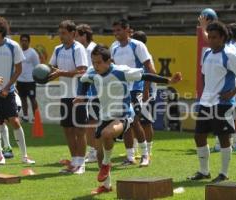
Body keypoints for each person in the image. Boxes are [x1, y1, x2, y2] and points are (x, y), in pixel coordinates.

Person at [76, 44, 182, 195]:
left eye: (99, 62)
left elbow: (145, 75)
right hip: (105, 117)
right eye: (93, 62)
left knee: (107, 135)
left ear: (108, 61)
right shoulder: (93, 72)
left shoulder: (121, 71)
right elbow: (84, 80)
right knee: (99, 153)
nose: (95, 65)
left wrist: (168, 80)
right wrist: (81, 96)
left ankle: (107, 164)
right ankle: (106, 186)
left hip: (123, 115)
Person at [188, 21, 236, 183]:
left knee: (224, 138)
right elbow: (204, 74)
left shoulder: (230, 54)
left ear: (223, 37)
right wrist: (206, 92)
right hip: (206, 103)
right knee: (199, 136)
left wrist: (232, 93)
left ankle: (224, 173)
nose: (210, 40)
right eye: (209, 37)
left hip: (223, 104)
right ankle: (204, 171)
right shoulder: (207, 53)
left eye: (214, 37)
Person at [110, 19, 156, 167]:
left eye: (119, 30)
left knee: (135, 122)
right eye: (114, 31)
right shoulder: (114, 47)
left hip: (136, 89)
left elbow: (150, 68)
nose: (116, 34)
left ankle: (145, 155)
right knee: (125, 124)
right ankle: (130, 157)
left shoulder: (137, 45)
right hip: (121, 90)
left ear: (127, 30)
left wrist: (146, 89)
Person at [48, 20, 88, 174]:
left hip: (79, 95)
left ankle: (81, 164)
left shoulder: (78, 49)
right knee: (68, 130)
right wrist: (43, 76)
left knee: (79, 130)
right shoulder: (58, 49)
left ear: (73, 34)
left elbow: (81, 71)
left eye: (64, 33)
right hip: (64, 95)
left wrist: (60, 73)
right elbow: (51, 69)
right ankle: (74, 162)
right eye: (60, 33)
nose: (61, 36)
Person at [0, 16, 35, 165]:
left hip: (9, 91)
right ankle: (0, 156)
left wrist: (6, 87)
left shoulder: (13, 46)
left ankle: (24, 156)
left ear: (0, 30)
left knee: (15, 121)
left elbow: (18, 70)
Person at [212, 23, 236, 152]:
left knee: (230, 115)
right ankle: (232, 142)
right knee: (231, 114)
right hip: (231, 85)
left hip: (232, 85)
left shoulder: (232, 47)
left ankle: (232, 142)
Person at [75, 23, 98, 163]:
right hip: (89, 91)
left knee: (92, 122)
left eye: (77, 35)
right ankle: (94, 151)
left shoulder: (92, 49)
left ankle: (94, 151)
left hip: (95, 91)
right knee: (91, 122)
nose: (75, 38)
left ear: (84, 36)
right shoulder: (83, 49)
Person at [131, 30, 157, 158]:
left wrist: (146, 90)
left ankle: (149, 149)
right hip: (138, 91)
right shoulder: (137, 54)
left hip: (148, 92)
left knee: (146, 121)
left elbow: (151, 73)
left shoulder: (146, 56)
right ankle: (135, 149)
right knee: (135, 121)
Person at [17, 34, 40, 123]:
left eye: (25, 40)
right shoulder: (18, 52)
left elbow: (37, 66)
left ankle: (36, 117)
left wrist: (36, 78)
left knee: (32, 99)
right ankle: (25, 117)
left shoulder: (32, 52)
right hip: (20, 80)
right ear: (20, 42)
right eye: (22, 40)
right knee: (22, 99)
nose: (24, 42)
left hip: (30, 80)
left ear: (29, 42)